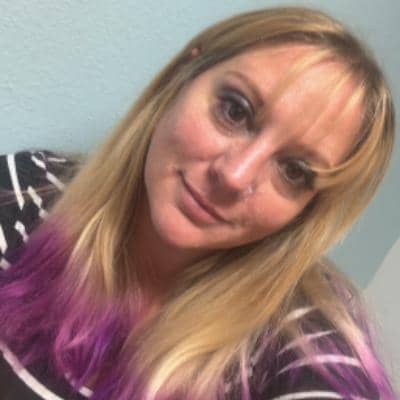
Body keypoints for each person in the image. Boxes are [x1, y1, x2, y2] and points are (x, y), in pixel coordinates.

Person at [0, 6, 396, 400]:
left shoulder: (302, 343)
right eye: (235, 111)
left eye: (294, 171)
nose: (235, 175)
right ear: (181, 76)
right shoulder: (27, 194)